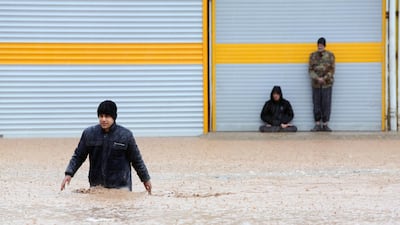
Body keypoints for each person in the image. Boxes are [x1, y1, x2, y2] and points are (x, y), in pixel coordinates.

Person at [60, 100, 152, 194]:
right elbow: (78, 156)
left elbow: (137, 160)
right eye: (101, 116)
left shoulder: (125, 135)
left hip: (121, 189)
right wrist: (69, 174)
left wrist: (145, 179)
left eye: (107, 116)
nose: (103, 119)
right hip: (97, 188)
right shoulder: (89, 134)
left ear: (114, 117)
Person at [308, 37, 335, 132]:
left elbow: (332, 70)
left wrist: (324, 78)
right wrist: (317, 78)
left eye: (322, 45)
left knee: (326, 104)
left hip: (326, 84)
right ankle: (317, 124)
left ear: (324, 45)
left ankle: (325, 124)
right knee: (316, 104)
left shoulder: (330, 56)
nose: (320, 46)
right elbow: (310, 70)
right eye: (319, 45)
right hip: (316, 84)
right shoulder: (312, 56)